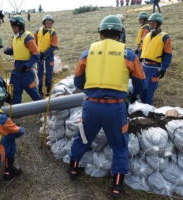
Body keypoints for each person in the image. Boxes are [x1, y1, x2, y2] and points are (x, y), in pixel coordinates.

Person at [67, 15, 146, 198]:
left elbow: (78, 80)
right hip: (115, 108)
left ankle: (73, 168)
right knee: (119, 145)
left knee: (84, 137)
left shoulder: (88, 53)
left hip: (91, 106)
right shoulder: (128, 54)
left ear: (101, 33)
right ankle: (117, 185)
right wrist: (132, 95)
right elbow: (141, 82)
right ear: (119, 33)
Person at [3, 16, 43, 104]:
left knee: (34, 94)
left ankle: (45, 111)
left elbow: (36, 55)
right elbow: (16, 50)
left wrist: (27, 65)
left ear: (20, 26)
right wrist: (7, 51)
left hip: (26, 73)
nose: (13, 29)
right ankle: (16, 114)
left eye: (14, 27)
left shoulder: (28, 38)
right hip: (16, 71)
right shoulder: (15, 37)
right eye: (12, 27)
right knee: (15, 95)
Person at [139, 13, 172, 105]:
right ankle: (140, 108)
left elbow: (168, 54)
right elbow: (141, 49)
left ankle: (148, 110)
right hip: (144, 66)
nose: (151, 25)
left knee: (150, 89)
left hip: (155, 68)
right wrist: (138, 61)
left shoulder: (165, 37)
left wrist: (163, 69)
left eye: (153, 23)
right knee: (141, 88)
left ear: (159, 24)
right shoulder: (147, 35)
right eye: (150, 23)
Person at [35, 15, 59, 97]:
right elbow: (34, 42)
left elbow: (53, 46)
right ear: (44, 23)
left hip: (49, 55)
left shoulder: (53, 33)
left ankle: (48, 91)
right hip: (39, 55)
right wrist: (37, 53)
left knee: (49, 74)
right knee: (39, 73)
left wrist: (44, 54)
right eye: (47, 23)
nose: (49, 25)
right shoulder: (38, 31)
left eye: (50, 23)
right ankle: (39, 90)